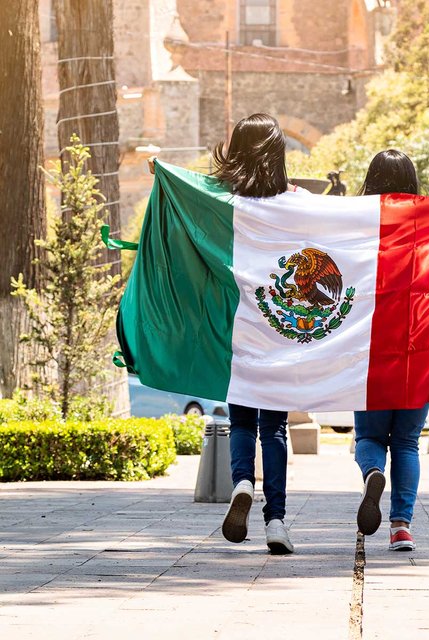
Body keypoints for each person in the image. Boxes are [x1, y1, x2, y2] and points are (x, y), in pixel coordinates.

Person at [151, 114, 302, 554]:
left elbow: (186, 195)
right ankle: (276, 520)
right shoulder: (295, 202)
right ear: (278, 152)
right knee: (273, 427)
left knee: (241, 419)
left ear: (234, 148)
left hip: (235, 329)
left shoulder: (220, 199)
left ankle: (241, 483)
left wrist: (162, 173)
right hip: (277, 327)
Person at [354, 149, 429, 552]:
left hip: (369, 350)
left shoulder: (355, 222)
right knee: (406, 441)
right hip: (417, 350)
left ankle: (371, 472)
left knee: (369, 434)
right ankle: (401, 526)